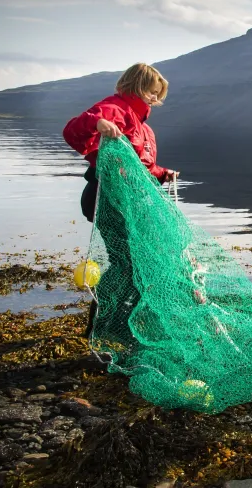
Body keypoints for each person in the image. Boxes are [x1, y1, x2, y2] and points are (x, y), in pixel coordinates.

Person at [62, 62, 179, 339]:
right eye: (151, 91)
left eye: (158, 94)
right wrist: (98, 123)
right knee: (126, 263)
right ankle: (102, 324)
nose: (154, 98)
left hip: (131, 204)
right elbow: (73, 130)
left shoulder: (144, 129)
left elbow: (142, 168)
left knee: (135, 263)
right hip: (107, 200)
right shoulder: (115, 109)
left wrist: (163, 173)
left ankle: (116, 321)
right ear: (136, 85)